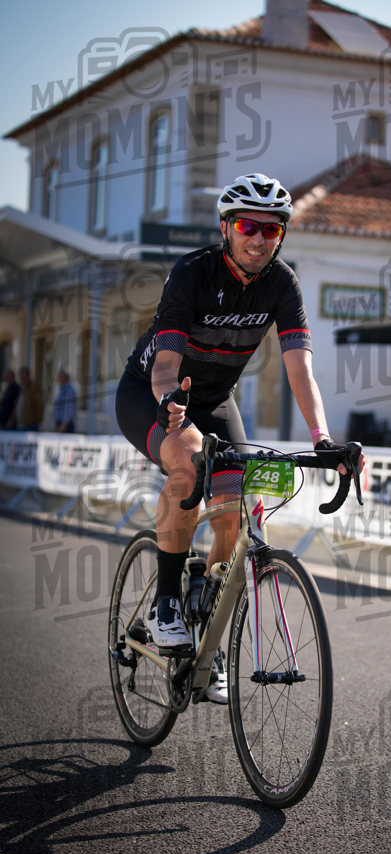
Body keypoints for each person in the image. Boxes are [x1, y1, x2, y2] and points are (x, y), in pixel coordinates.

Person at [115, 172, 364, 704]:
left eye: (271, 230)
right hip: (152, 393)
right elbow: (165, 367)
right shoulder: (192, 274)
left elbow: (301, 371)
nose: (259, 238)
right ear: (226, 227)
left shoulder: (283, 284)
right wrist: (169, 405)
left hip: (215, 400)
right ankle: (164, 603)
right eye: (248, 226)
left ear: (281, 236)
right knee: (187, 462)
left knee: (234, 509)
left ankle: (206, 618)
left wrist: (322, 438)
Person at [16, 366, 44, 431]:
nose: (23, 379)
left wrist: (38, 420)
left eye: (24, 377)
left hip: (30, 424)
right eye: (21, 378)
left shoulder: (34, 388)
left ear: (28, 376)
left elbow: (39, 405)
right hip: (21, 424)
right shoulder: (22, 388)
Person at [53, 368, 77, 433]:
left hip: (65, 426)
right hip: (62, 424)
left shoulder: (68, 390)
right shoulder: (63, 388)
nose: (57, 379)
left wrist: (62, 427)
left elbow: (68, 409)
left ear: (63, 377)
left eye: (59, 376)